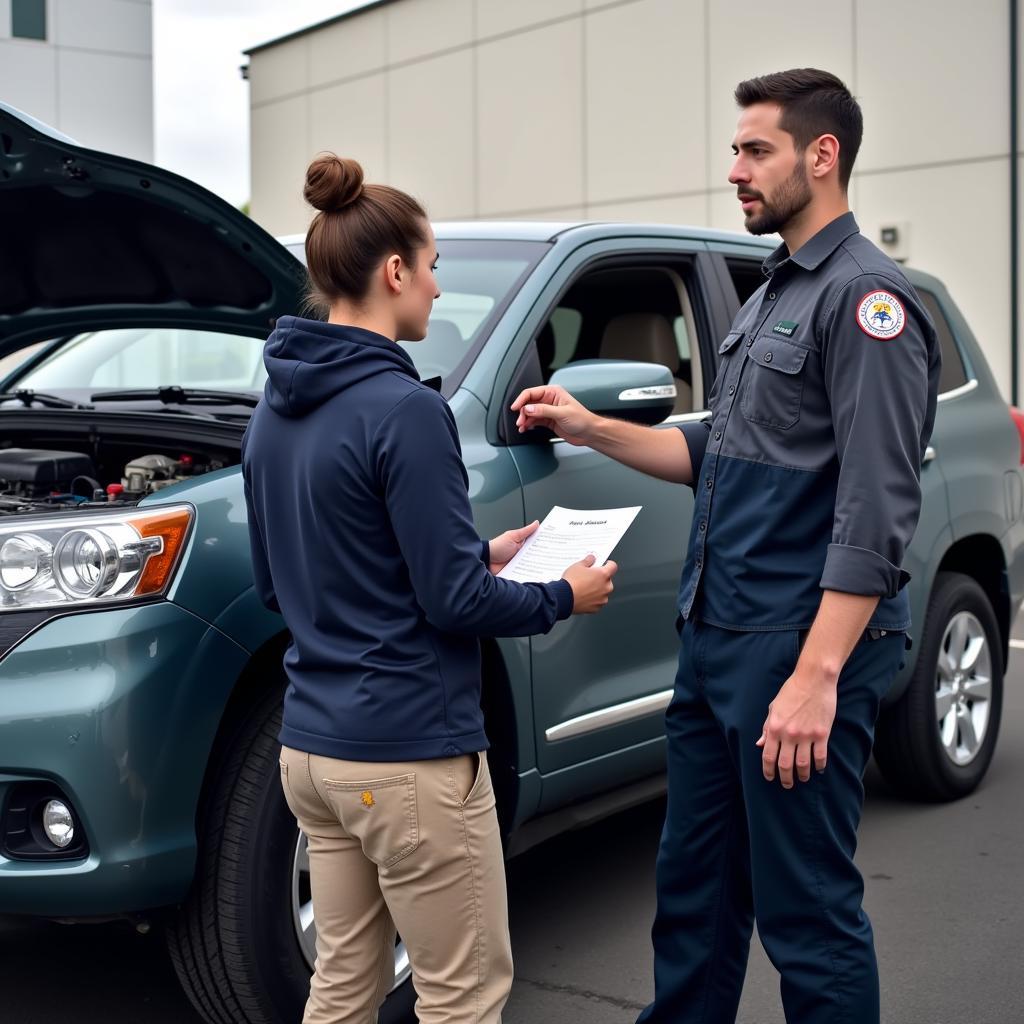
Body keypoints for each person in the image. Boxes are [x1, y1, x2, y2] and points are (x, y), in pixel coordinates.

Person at [512, 69, 940, 1024]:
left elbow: (876, 508)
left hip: (795, 650)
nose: (734, 169)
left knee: (808, 915)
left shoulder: (867, 301)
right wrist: (588, 427)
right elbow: (712, 450)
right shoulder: (769, 294)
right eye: (735, 149)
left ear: (821, 157)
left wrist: (817, 676)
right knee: (695, 904)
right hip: (715, 645)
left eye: (756, 150)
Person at [241, 153, 617, 1024]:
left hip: (313, 755)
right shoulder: (406, 409)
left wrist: (477, 550)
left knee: (341, 983)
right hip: (406, 753)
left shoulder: (273, 410)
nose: (439, 290)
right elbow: (455, 607)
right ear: (395, 271)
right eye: (435, 266)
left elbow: (281, 581)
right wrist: (564, 594)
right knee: (462, 994)